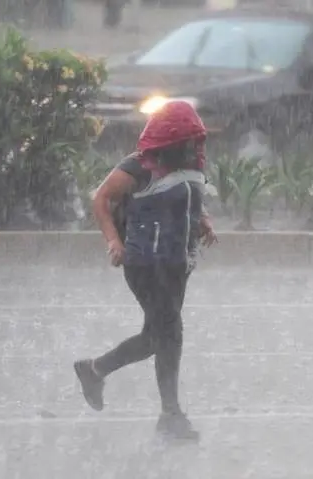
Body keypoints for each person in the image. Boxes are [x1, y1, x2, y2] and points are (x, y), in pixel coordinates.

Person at [74, 100, 217, 441]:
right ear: (168, 137)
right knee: (170, 334)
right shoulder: (141, 165)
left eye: (195, 137)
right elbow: (102, 199)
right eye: (185, 138)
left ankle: (95, 369)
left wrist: (204, 222)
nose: (192, 144)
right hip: (145, 263)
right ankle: (171, 415)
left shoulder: (192, 164)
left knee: (158, 337)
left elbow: (190, 198)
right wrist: (113, 241)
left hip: (178, 263)